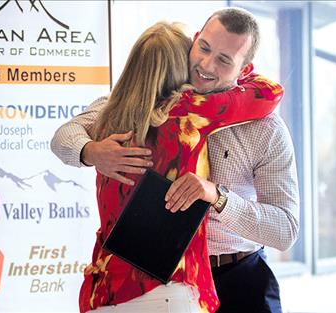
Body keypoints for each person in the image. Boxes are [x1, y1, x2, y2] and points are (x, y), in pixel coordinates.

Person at [52, 8, 299, 313]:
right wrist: (91, 152)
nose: (206, 65)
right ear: (194, 40)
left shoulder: (265, 129)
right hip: (166, 284)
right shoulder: (142, 105)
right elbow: (65, 135)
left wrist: (218, 197)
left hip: (238, 278)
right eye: (204, 48)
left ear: (245, 69)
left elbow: (285, 231)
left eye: (224, 60)